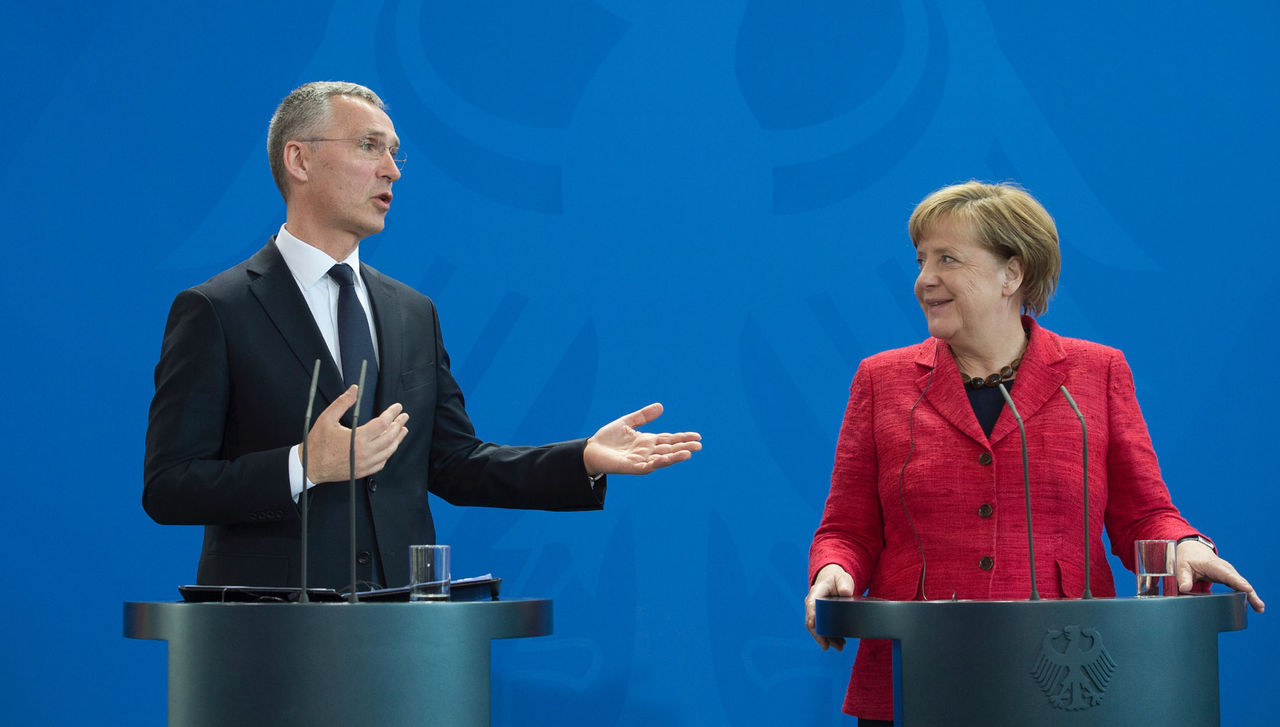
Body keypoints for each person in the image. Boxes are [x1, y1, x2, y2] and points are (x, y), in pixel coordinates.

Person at [143, 81, 701, 591]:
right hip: (267, 633)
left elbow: (454, 463)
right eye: (369, 146)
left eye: (393, 151)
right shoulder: (217, 309)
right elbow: (170, 486)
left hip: (403, 633)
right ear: (299, 160)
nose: (392, 170)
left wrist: (583, 458)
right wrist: (304, 465)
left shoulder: (413, 311)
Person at [803, 181, 1263, 725]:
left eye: (947, 259)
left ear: (1012, 274)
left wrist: (1182, 546)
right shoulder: (882, 380)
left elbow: (1144, 514)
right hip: (916, 676)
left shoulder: (1096, 373)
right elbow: (848, 529)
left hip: (1066, 681)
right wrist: (833, 569)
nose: (924, 280)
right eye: (921, 259)